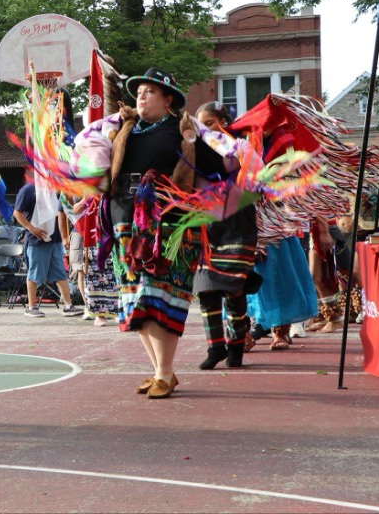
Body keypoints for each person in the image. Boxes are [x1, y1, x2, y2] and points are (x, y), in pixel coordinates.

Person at [71, 68, 227, 398]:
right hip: (123, 220)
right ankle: (162, 372)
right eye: (139, 92)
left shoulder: (182, 129)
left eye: (150, 92)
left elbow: (218, 166)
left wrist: (196, 143)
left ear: (168, 99)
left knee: (158, 295)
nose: (141, 97)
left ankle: (164, 372)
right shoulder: (123, 127)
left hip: (165, 222)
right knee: (134, 297)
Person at [192, 102, 260, 369]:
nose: (205, 130)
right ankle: (215, 347)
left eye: (209, 123)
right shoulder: (194, 149)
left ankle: (236, 347)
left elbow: (255, 179)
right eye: (201, 125)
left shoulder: (240, 147)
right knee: (205, 288)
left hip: (237, 222)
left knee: (234, 288)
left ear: (224, 123)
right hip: (206, 221)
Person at [12, 180, 78, 318]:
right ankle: (31, 307)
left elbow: (64, 209)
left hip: (55, 239)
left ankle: (68, 305)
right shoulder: (28, 189)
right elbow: (17, 213)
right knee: (34, 273)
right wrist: (31, 228)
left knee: (60, 272)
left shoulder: (56, 188)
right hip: (37, 240)